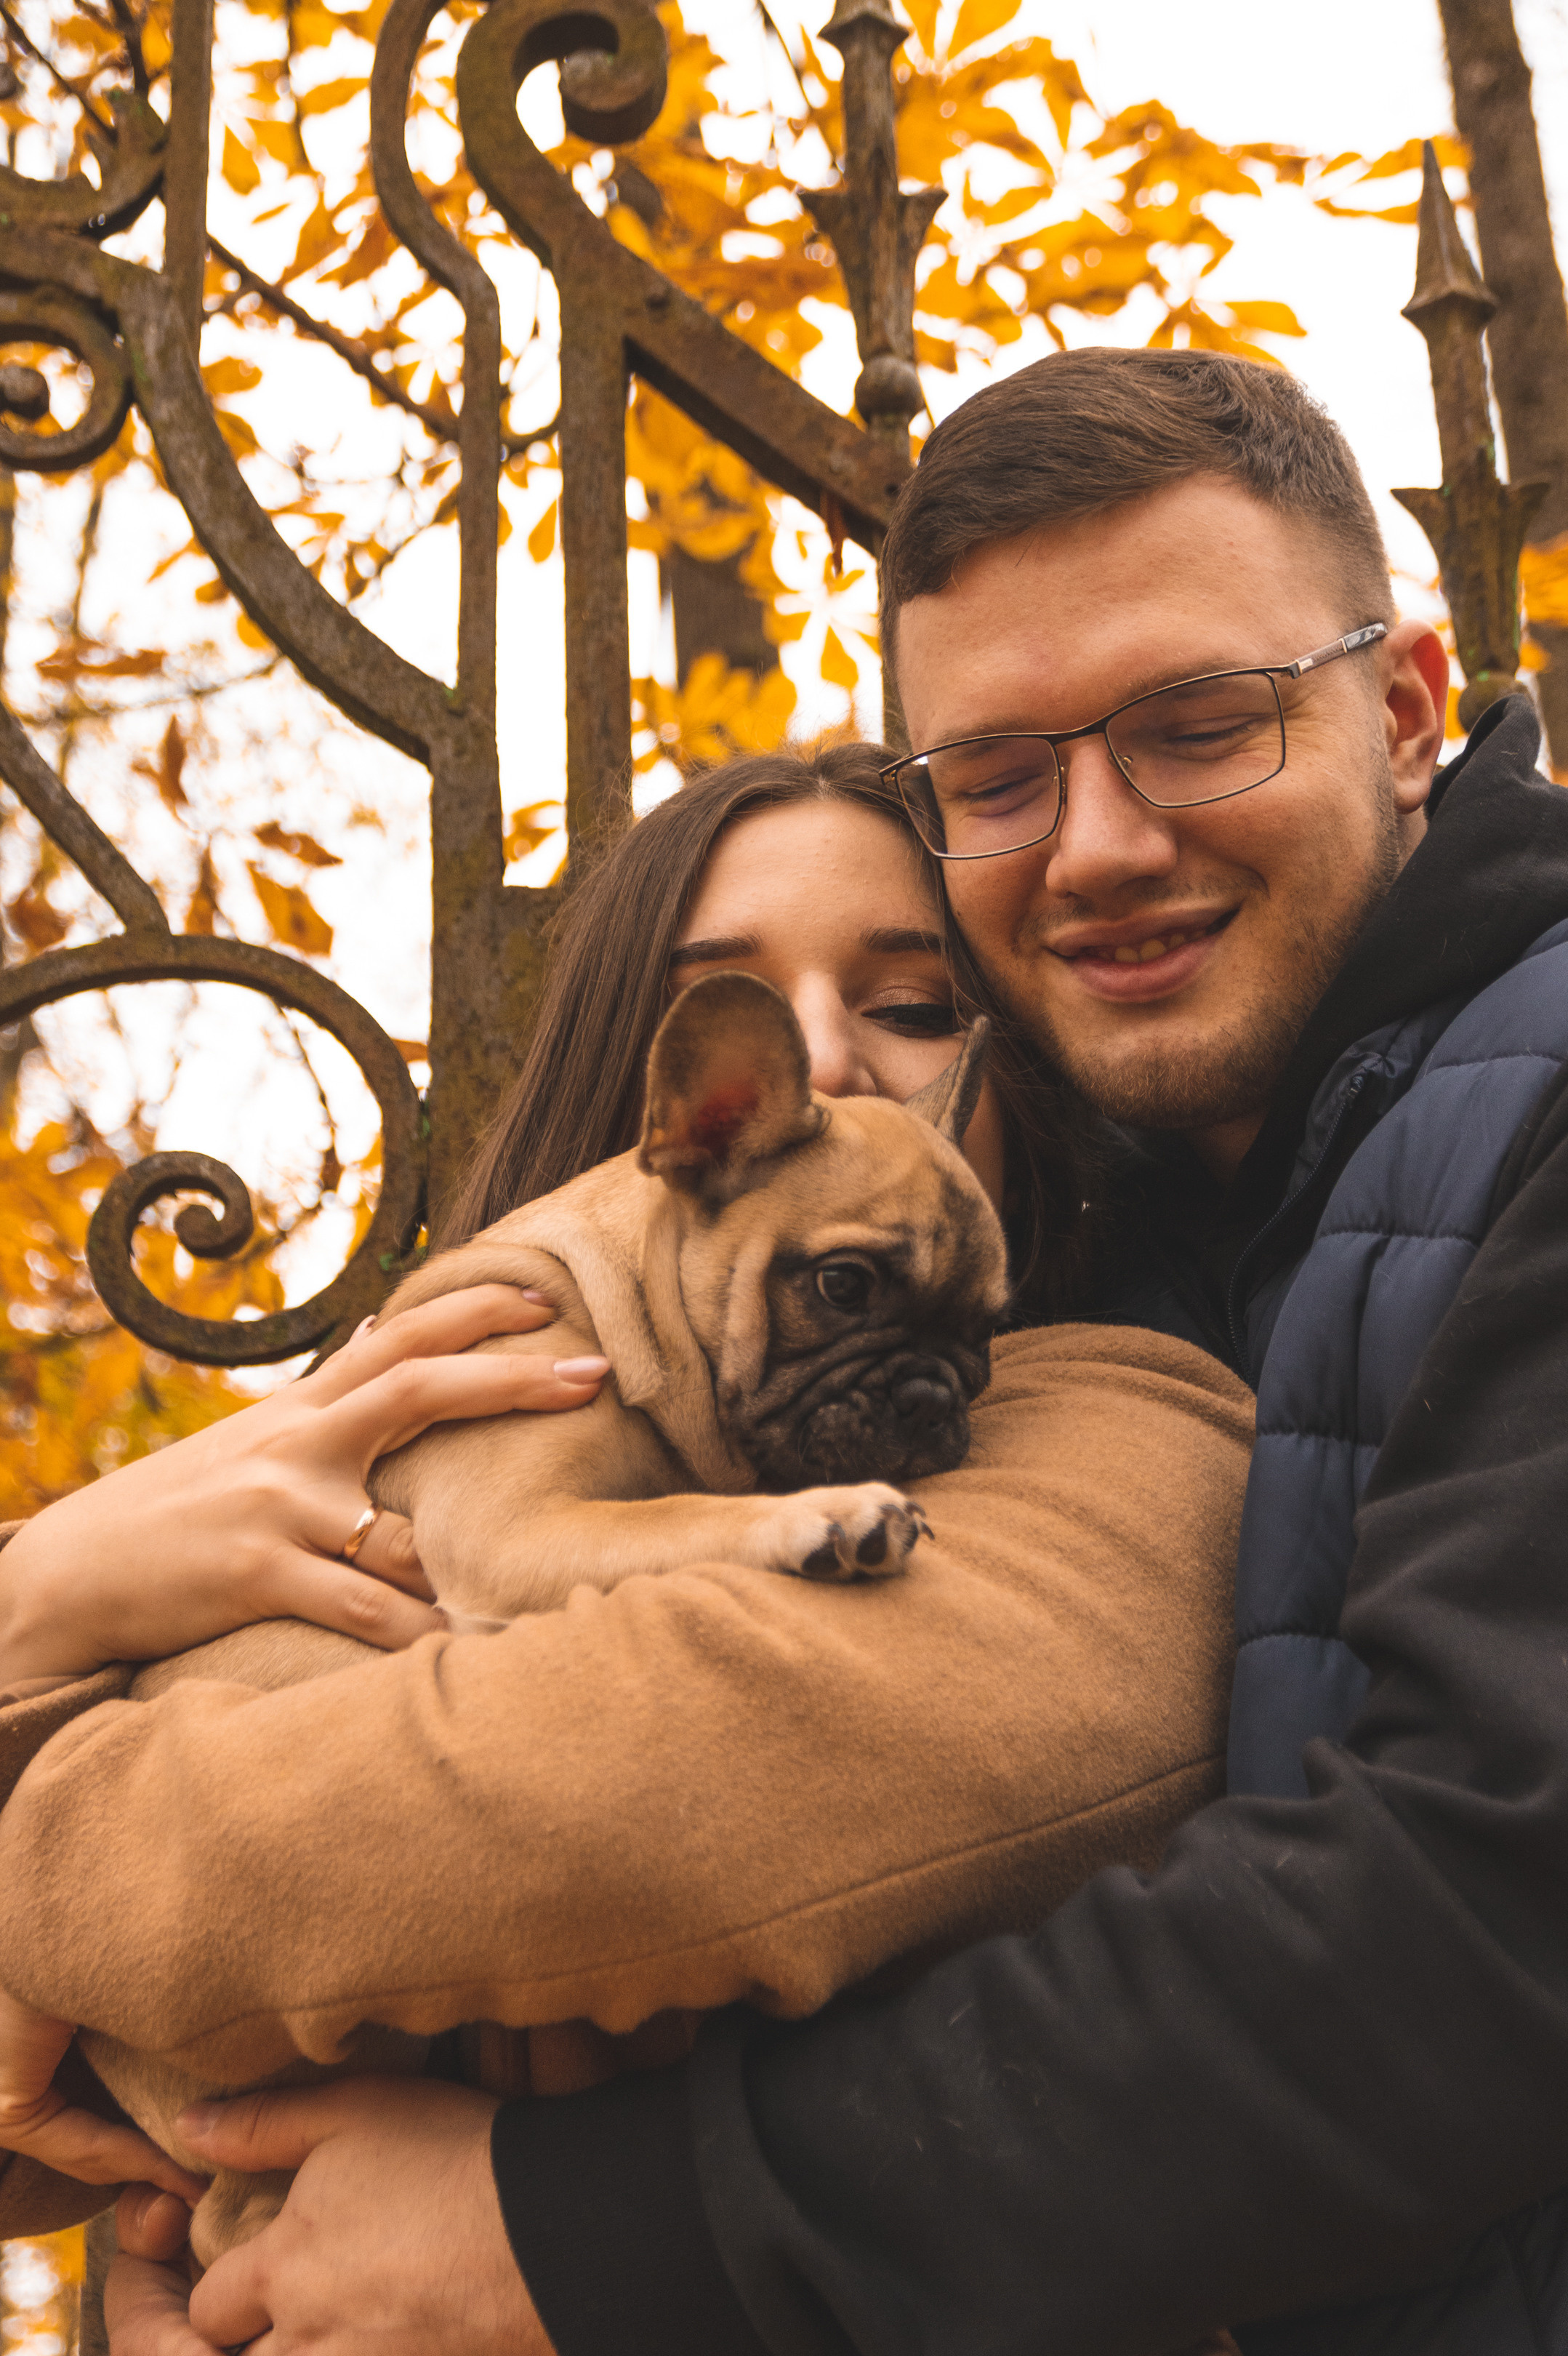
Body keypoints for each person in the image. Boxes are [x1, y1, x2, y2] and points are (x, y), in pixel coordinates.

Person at [84, 341, 1568, 2355]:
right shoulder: (1212, 1220)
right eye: (1003, 777)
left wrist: (563, 2228)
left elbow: (1468, 1927)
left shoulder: (1121, 1368)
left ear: (1402, 708)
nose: (1105, 843)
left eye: (1200, 726)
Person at [0, 746, 1253, 2337]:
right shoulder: (504, 1369)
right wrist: (35, 1605)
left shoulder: (1124, 1437)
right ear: (685, 1106)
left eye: (920, 1007)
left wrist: (34, 1863)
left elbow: (575, 1804)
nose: (832, 1069)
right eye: (728, 1008)